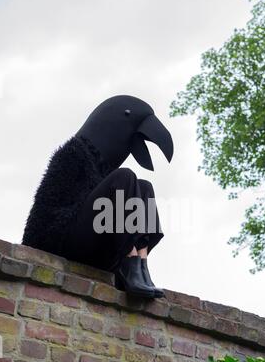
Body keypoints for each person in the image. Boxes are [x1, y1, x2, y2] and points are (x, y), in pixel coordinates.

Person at [22, 95, 174, 298]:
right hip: (61, 241)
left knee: (144, 188)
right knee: (124, 177)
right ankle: (130, 261)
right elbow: (46, 210)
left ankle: (140, 266)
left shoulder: (104, 172)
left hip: (98, 248)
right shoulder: (72, 154)